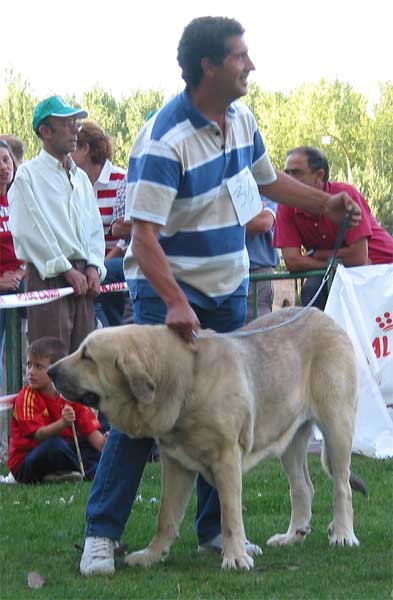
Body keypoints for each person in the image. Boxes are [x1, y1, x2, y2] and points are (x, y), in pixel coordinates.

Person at [79, 16, 361, 576]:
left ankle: (215, 532)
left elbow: (267, 181)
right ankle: (101, 534)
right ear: (209, 65)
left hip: (227, 291)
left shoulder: (242, 119)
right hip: (169, 297)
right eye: (240, 56)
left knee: (220, 417)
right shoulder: (165, 138)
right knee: (143, 409)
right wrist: (177, 303)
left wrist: (321, 204)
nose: (249, 65)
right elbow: (143, 238)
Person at [8, 96, 106, 353]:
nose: (76, 128)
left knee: (83, 365)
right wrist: (65, 269)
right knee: (51, 361)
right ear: (45, 131)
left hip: (83, 278)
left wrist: (95, 266)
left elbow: (94, 228)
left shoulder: (81, 178)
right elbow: (29, 231)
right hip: (48, 277)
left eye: (76, 122)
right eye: (68, 122)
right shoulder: (27, 176)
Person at [273, 146, 393, 309]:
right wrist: (333, 264)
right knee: (311, 291)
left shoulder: (345, 195)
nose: (289, 178)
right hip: (344, 275)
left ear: (319, 176)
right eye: (286, 173)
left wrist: (318, 256)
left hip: (383, 272)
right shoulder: (286, 205)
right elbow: (292, 261)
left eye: (296, 173)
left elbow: (359, 257)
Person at [7, 336, 106, 483]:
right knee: (55, 446)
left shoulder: (70, 393)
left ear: (57, 369)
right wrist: (62, 424)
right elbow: (37, 435)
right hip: (27, 462)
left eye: (38, 366)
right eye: (29, 365)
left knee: (88, 446)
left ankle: (64, 473)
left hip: (63, 450)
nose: (31, 371)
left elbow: (89, 430)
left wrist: (104, 443)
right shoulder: (26, 396)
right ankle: (91, 472)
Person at [71, 121, 128, 327]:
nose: (68, 153)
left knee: (97, 282)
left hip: (113, 263)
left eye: (73, 147)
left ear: (85, 149)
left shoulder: (121, 179)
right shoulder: (74, 185)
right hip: (89, 263)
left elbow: (124, 240)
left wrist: (98, 267)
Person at [0, 140, 25, 392]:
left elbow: (34, 244)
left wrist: (20, 272)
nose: (2, 167)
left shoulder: (21, 199)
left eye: (6, 160)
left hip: (21, 283)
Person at [246, 196, 279, 321]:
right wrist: (253, 211)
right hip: (224, 272)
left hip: (257, 273)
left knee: (258, 333)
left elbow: (263, 223)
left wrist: (225, 220)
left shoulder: (264, 187)